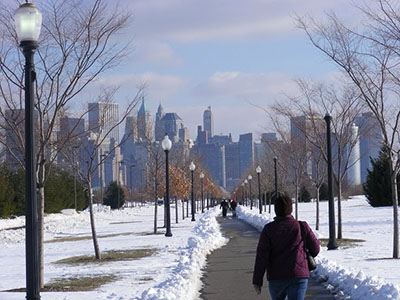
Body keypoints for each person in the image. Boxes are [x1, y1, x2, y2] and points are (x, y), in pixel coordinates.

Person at [252, 194, 320, 300]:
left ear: (276, 210)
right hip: (298, 275)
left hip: (276, 277)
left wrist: (257, 280)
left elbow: (262, 257)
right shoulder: (302, 226)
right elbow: (315, 249)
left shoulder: (268, 229)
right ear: (291, 209)